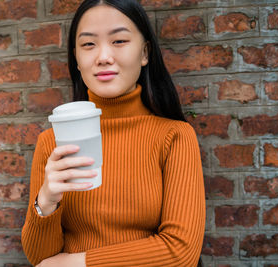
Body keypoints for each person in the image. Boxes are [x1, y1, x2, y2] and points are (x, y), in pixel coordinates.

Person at [21, 0, 206, 266]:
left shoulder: (174, 136)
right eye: (88, 44)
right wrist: (46, 202)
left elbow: (180, 252)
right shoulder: (51, 142)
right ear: (76, 57)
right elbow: (41, 259)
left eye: (119, 41)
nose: (103, 56)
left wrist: (77, 263)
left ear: (144, 53)